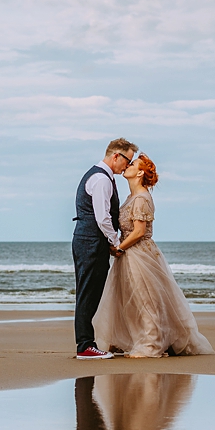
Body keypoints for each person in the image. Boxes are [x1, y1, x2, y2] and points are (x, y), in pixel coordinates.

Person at [93, 154, 214, 357]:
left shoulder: (141, 197)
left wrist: (119, 247)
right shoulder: (132, 196)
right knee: (127, 300)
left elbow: (139, 232)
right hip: (129, 254)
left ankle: (151, 343)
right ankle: (130, 338)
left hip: (139, 254)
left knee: (145, 300)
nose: (127, 166)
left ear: (140, 173)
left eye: (133, 164)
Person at [72, 138, 138, 360]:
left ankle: (86, 343)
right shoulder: (101, 179)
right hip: (91, 241)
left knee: (90, 292)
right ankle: (85, 346)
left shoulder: (103, 177)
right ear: (116, 156)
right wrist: (115, 242)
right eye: (127, 161)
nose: (127, 166)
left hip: (89, 240)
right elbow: (102, 217)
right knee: (88, 293)